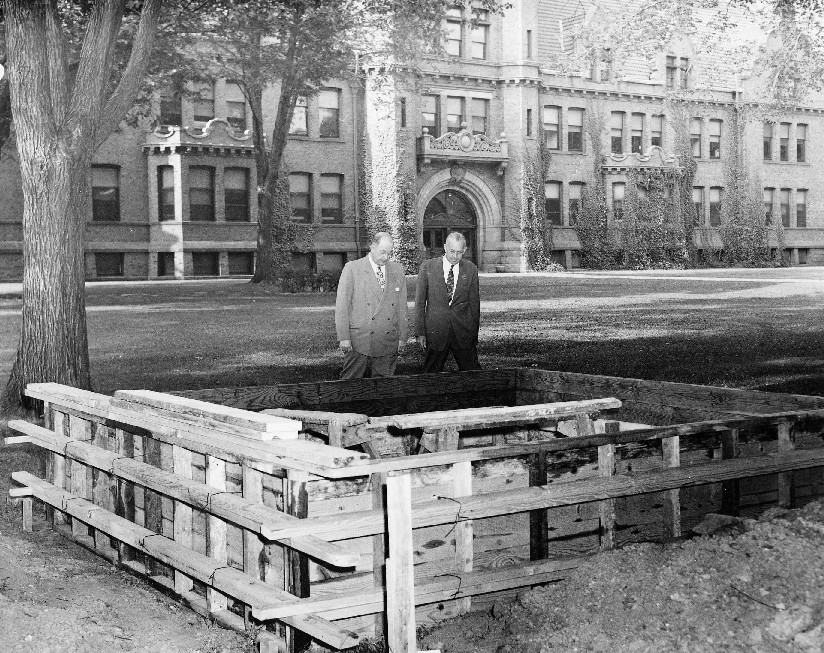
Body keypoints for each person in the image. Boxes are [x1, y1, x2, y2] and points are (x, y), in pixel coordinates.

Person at [335, 232, 408, 379]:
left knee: (384, 386)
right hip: (359, 340)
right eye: (382, 252)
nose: (386, 257)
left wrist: (403, 337)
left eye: (389, 253)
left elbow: (402, 307)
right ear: (372, 247)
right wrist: (344, 337)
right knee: (350, 384)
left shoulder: (397, 270)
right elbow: (342, 305)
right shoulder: (353, 268)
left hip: (387, 339)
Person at [414, 231, 481, 373]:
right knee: (430, 375)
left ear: (464, 250)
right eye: (452, 251)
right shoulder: (427, 267)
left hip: (463, 331)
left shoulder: (471, 269)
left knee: (473, 374)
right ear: (445, 247)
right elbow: (420, 303)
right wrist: (420, 332)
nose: (455, 256)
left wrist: (473, 333)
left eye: (459, 252)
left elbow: (474, 305)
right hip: (436, 331)